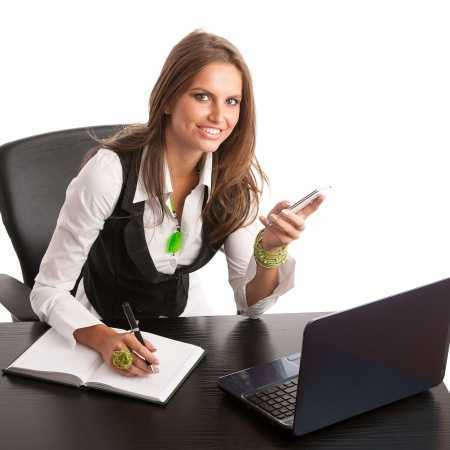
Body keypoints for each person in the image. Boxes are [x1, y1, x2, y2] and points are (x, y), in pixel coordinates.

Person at [30, 29, 325, 378]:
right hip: (100, 326)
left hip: (185, 331)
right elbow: (48, 290)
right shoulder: (108, 173)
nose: (219, 116)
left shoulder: (233, 182)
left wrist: (269, 252)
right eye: (203, 96)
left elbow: (249, 307)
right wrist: (106, 339)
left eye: (232, 101)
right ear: (168, 100)